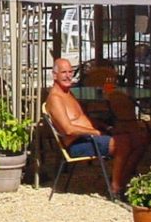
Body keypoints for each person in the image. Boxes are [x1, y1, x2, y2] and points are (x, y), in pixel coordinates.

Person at [45, 58, 143, 197]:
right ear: (55, 75)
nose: (68, 76)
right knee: (123, 143)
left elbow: (82, 119)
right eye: (63, 72)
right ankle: (115, 189)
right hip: (76, 144)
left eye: (70, 72)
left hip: (89, 137)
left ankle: (122, 181)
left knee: (139, 140)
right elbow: (68, 129)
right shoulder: (56, 98)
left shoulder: (68, 93)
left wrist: (104, 127)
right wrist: (95, 132)